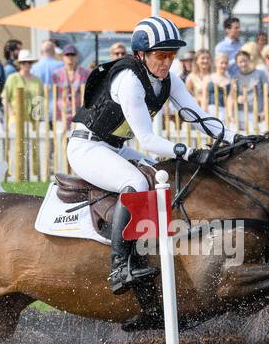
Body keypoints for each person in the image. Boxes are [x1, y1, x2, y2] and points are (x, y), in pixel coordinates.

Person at [68, 16, 242, 293]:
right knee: (135, 183)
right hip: (87, 147)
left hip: (115, 146)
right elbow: (148, 140)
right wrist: (187, 152)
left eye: (172, 56)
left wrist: (237, 138)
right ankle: (120, 267)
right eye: (160, 56)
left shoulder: (168, 79)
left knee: (162, 176)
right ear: (141, 54)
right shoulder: (130, 81)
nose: (167, 62)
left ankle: (149, 249)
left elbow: (198, 117)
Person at [50, 44, 89, 127]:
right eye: (67, 55)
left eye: (72, 55)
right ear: (63, 57)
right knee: (61, 138)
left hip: (79, 113)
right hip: (62, 113)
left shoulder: (85, 73)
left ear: (77, 57)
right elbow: (54, 95)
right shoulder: (56, 74)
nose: (70, 57)